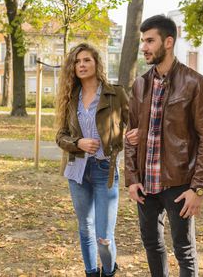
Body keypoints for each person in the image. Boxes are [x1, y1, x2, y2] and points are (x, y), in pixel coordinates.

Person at [124, 15, 203, 276]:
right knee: (152, 245)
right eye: (143, 41)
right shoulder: (140, 84)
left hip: (178, 184)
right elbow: (130, 134)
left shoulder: (196, 84)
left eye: (150, 41)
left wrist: (198, 189)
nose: (144, 47)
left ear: (168, 42)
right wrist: (132, 178)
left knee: (184, 250)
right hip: (146, 184)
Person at [55, 43, 137, 277]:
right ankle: (91, 272)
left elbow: (134, 127)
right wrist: (78, 143)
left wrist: (123, 140)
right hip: (77, 170)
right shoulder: (70, 98)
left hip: (104, 170)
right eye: (78, 61)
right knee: (85, 228)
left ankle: (109, 270)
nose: (81, 65)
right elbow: (60, 136)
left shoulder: (115, 93)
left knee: (103, 236)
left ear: (96, 63)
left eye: (86, 60)